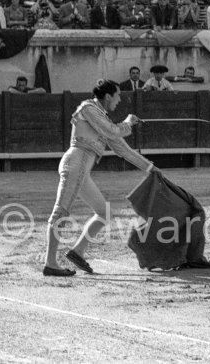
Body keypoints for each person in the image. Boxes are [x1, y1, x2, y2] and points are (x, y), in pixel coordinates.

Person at [43, 79, 156, 277]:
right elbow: (112, 131)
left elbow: (124, 150)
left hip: (82, 169)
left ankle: (77, 252)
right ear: (107, 95)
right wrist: (128, 123)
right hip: (75, 164)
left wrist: (150, 168)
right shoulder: (88, 108)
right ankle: (50, 263)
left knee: (104, 212)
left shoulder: (101, 118)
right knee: (60, 212)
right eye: (118, 95)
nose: (119, 100)